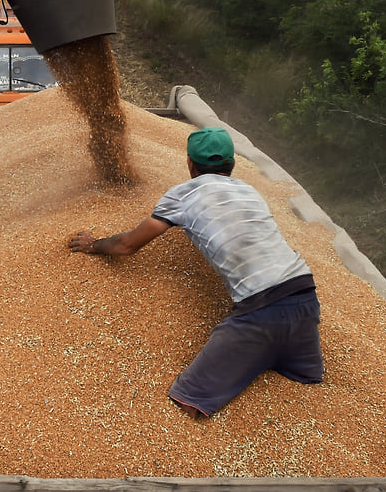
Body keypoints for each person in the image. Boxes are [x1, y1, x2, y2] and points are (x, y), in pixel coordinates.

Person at [68, 126, 324, 417]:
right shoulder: (249, 191)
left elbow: (127, 246)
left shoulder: (182, 196)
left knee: (189, 400)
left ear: (190, 163)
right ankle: (273, 355)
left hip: (260, 311)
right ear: (233, 164)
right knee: (307, 378)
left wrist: (94, 245)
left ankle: (256, 353)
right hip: (305, 297)